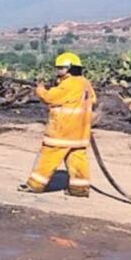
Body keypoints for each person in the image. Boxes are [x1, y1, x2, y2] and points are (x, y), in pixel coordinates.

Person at [19, 52, 96, 197]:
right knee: (77, 159)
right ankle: (79, 189)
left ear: (70, 68)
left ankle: (35, 185)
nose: (58, 71)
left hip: (63, 130)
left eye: (61, 68)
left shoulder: (69, 84)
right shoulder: (85, 83)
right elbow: (92, 100)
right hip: (80, 131)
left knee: (48, 157)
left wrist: (40, 89)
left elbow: (50, 98)